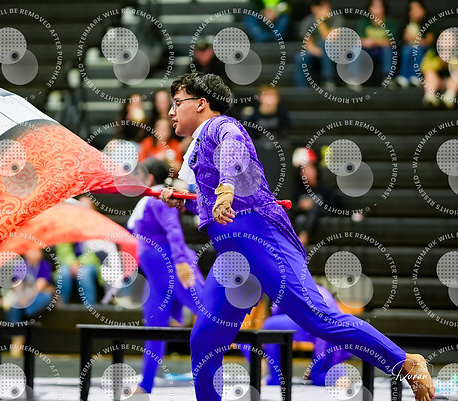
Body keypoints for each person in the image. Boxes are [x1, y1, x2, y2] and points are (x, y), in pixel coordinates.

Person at [159, 72, 434, 401]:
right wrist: (184, 202)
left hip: (262, 238)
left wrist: (226, 187)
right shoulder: (195, 148)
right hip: (233, 257)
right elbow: (212, 206)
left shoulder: (222, 126)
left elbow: (232, 152)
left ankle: (405, 362)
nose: (171, 112)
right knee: (204, 339)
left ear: (201, 103)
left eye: (177, 103)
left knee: (317, 318)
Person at [127, 158, 205, 394]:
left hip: (174, 269)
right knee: (154, 329)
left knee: (212, 314)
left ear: (150, 177)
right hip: (157, 278)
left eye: (140, 173)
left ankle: (255, 358)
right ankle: (146, 384)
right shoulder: (149, 199)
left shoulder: (159, 197)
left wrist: (180, 262)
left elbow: (174, 230)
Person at [291, 147, 340, 245]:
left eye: (309, 169)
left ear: (315, 170)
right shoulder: (299, 190)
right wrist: (300, 206)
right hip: (304, 215)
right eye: (303, 171)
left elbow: (333, 207)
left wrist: (313, 204)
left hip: (321, 213)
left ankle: (305, 235)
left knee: (318, 200)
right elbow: (293, 207)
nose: (307, 173)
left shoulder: (325, 189)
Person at [295, 0, 344, 89]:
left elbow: (329, 38)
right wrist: (318, 51)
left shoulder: (337, 19)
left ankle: (328, 79)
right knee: (300, 57)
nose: (320, 9)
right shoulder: (307, 21)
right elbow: (308, 44)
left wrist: (320, 22)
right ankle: (301, 90)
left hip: (335, 53)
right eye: (317, 6)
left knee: (324, 43)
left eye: (323, 6)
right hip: (317, 53)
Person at [396, 0, 434, 88]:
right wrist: (406, 37)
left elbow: (428, 42)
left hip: (424, 49)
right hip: (409, 47)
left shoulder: (430, 23)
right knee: (406, 49)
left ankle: (417, 77)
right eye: (412, 9)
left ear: (423, 10)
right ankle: (404, 77)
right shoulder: (406, 24)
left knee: (417, 49)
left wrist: (416, 38)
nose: (414, 11)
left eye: (417, 8)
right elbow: (399, 39)